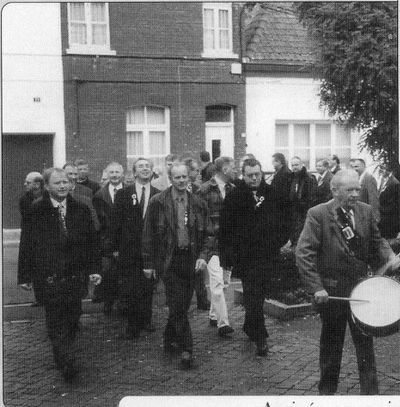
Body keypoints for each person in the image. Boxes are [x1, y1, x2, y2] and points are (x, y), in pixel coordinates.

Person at [295, 169, 399, 395]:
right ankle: (327, 394)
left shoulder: (366, 211)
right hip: (332, 293)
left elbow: (376, 241)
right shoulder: (318, 214)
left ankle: (371, 396)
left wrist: (389, 256)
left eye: (357, 189)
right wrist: (316, 287)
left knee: (365, 348)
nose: (355, 194)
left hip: (361, 291)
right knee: (332, 347)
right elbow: (304, 253)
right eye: (349, 189)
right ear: (334, 190)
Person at [18, 168, 101, 381]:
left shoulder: (81, 209)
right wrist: (25, 276)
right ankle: (66, 361)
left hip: (74, 277)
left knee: (73, 318)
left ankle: (65, 355)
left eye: (65, 182)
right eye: (57, 183)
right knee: (56, 321)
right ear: (47, 186)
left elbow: (92, 242)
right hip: (49, 277)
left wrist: (94, 269)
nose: (63, 186)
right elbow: (26, 244)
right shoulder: (36, 211)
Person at [142, 162, 208, 369]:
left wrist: (203, 256)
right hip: (169, 261)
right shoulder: (157, 202)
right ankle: (187, 348)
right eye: (177, 177)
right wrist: (149, 263)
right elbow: (148, 235)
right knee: (178, 305)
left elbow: (209, 234)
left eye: (184, 177)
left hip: (191, 260)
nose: (181, 181)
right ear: (170, 179)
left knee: (182, 305)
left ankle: (168, 337)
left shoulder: (198, 203)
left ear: (189, 178)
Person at [219, 158, 287, 356]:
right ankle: (260, 336)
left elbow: (285, 219)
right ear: (243, 175)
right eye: (250, 175)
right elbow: (225, 229)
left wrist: (281, 240)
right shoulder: (234, 196)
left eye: (258, 174)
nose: (255, 178)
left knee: (260, 293)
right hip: (246, 257)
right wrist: (226, 258)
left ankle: (250, 325)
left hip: (268, 254)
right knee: (253, 293)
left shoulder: (273, 193)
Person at [111, 158, 160, 339]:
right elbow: (116, 222)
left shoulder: (159, 194)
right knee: (131, 287)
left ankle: (146, 319)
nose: (145, 169)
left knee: (148, 286)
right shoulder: (124, 194)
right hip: (129, 249)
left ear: (152, 171)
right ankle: (132, 325)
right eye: (141, 167)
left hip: (151, 249)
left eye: (148, 166)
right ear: (134, 172)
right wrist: (115, 247)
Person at [197, 156, 236, 337]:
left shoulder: (233, 189)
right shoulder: (204, 190)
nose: (235, 170)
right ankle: (223, 323)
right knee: (217, 282)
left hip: (228, 243)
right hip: (212, 242)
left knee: (225, 282)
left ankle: (213, 315)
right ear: (225, 169)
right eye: (233, 167)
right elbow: (199, 217)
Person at [92, 162, 124, 313]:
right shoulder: (100, 195)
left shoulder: (130, 192)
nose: (115, 175)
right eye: (112, 172)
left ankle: (124, 305)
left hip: (126, 241)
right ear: (107, 174)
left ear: (122, 173)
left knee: (124, 275)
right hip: (107, 242)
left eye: (117, 172)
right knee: (109, 275)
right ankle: (108, 303)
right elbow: (99, 221)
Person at [17, 171, 44, 306]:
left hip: (45, 236)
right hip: (30, 236)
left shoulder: (48, 196)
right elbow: (28, 218)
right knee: (34, 266)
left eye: (28, 182)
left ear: (37, 184)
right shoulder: (24, 199)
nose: (25, 184)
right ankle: (39, 297)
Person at [63, 163, 100, 231]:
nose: (73, 177)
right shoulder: (57, 191)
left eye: (75, 174)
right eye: (70, 174)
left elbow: (94, 219)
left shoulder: (87, 191)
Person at [289, 156, 317, 245]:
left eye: (296, 164)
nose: (294, 167)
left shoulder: (309, 178)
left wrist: (306, 207)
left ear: (302, 165)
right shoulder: (292, 177)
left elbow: (312, 196)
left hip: (304, 210)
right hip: (295, 210)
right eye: (292, 165)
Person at [269, 153, 293, 247]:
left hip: (282, 208)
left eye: (273, 162)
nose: (272, 164)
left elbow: (283, 192)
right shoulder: (280, 172)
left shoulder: (285, 173)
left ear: (278, 162)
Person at [377, 164, 400, 240]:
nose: (381, 170)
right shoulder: (384, 180)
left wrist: (381, 209)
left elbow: (395, 203)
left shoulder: (394, 183)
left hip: (389, 218)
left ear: (389, 171)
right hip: (384, 216)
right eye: (381, 168)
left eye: (383, 169)